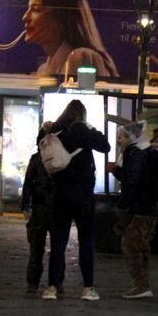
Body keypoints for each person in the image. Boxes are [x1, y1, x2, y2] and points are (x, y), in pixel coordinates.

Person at [43, 99, 110, 301]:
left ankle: (52, 287)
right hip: (82, 194)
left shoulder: (54, 131)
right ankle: (88, 288)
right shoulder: (82, 130)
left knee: (58, 242)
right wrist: (90, 127)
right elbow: (105, 146)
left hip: (60, 193)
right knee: (86, 241)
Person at [23, 0, 118, 78]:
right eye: (29, 9)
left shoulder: (80, 57)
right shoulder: (46, 68)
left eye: (36, 9)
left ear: (61, 17)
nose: (25, 17)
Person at [113, 122, 158, 299]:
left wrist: (123, 205)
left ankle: (141, 285)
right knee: (142, 246)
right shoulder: (147, 150)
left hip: (139, 208)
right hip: (149, 207)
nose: (119, 140)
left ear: (130, 137)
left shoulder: (135, 153)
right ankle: (142, 284)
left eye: (122, 136)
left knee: (130, 245)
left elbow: (131, 182)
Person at [21, 122, 54, 294]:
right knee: (57, 248)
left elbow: (28, 183)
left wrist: (25, 205)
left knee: (36, 248)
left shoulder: (36, 158)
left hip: (39, 207)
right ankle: (56, 282)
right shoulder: (61, 158)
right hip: (56, 208)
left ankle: (33, 282)